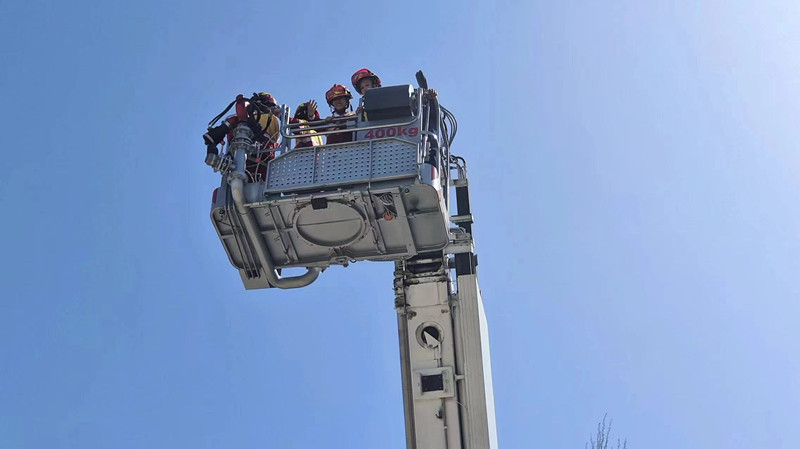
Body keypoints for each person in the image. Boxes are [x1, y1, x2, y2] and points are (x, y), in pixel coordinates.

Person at [203, 92, 281, 182]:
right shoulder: (238, 120)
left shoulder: (269, 119)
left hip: (253, 161)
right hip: (256, 163)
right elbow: (211, 138)